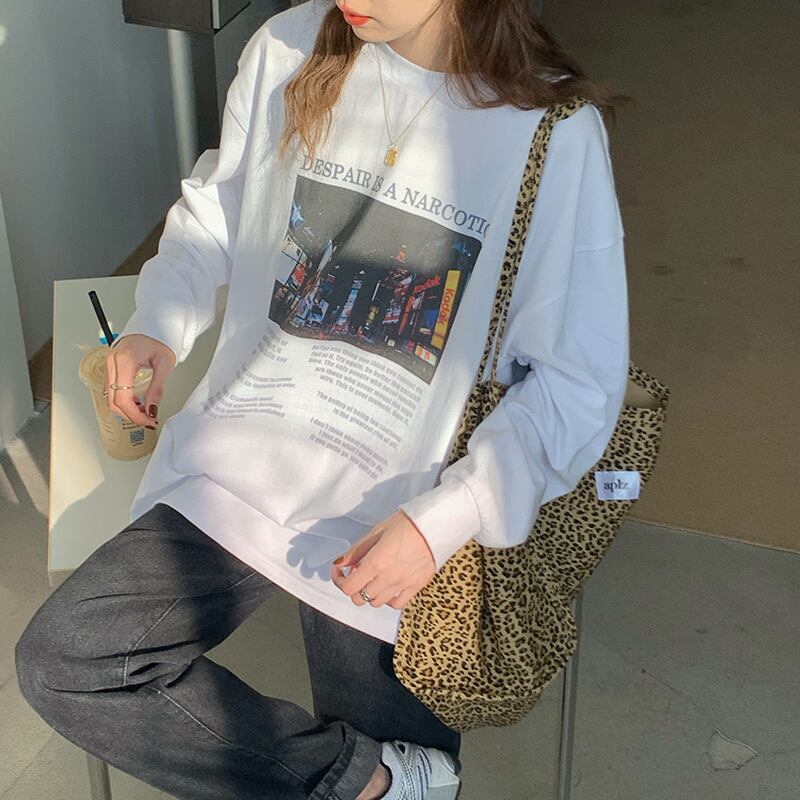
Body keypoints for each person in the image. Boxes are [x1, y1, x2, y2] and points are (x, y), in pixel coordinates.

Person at [15, 1, 630, 798]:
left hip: (400, 514)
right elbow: (217, 214)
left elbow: (576, 382)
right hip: (244, 460)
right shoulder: (289, 47)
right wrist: (160, 323)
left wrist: (445, 520)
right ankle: (366, 782)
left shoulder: (550, 130)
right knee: (68, 660)